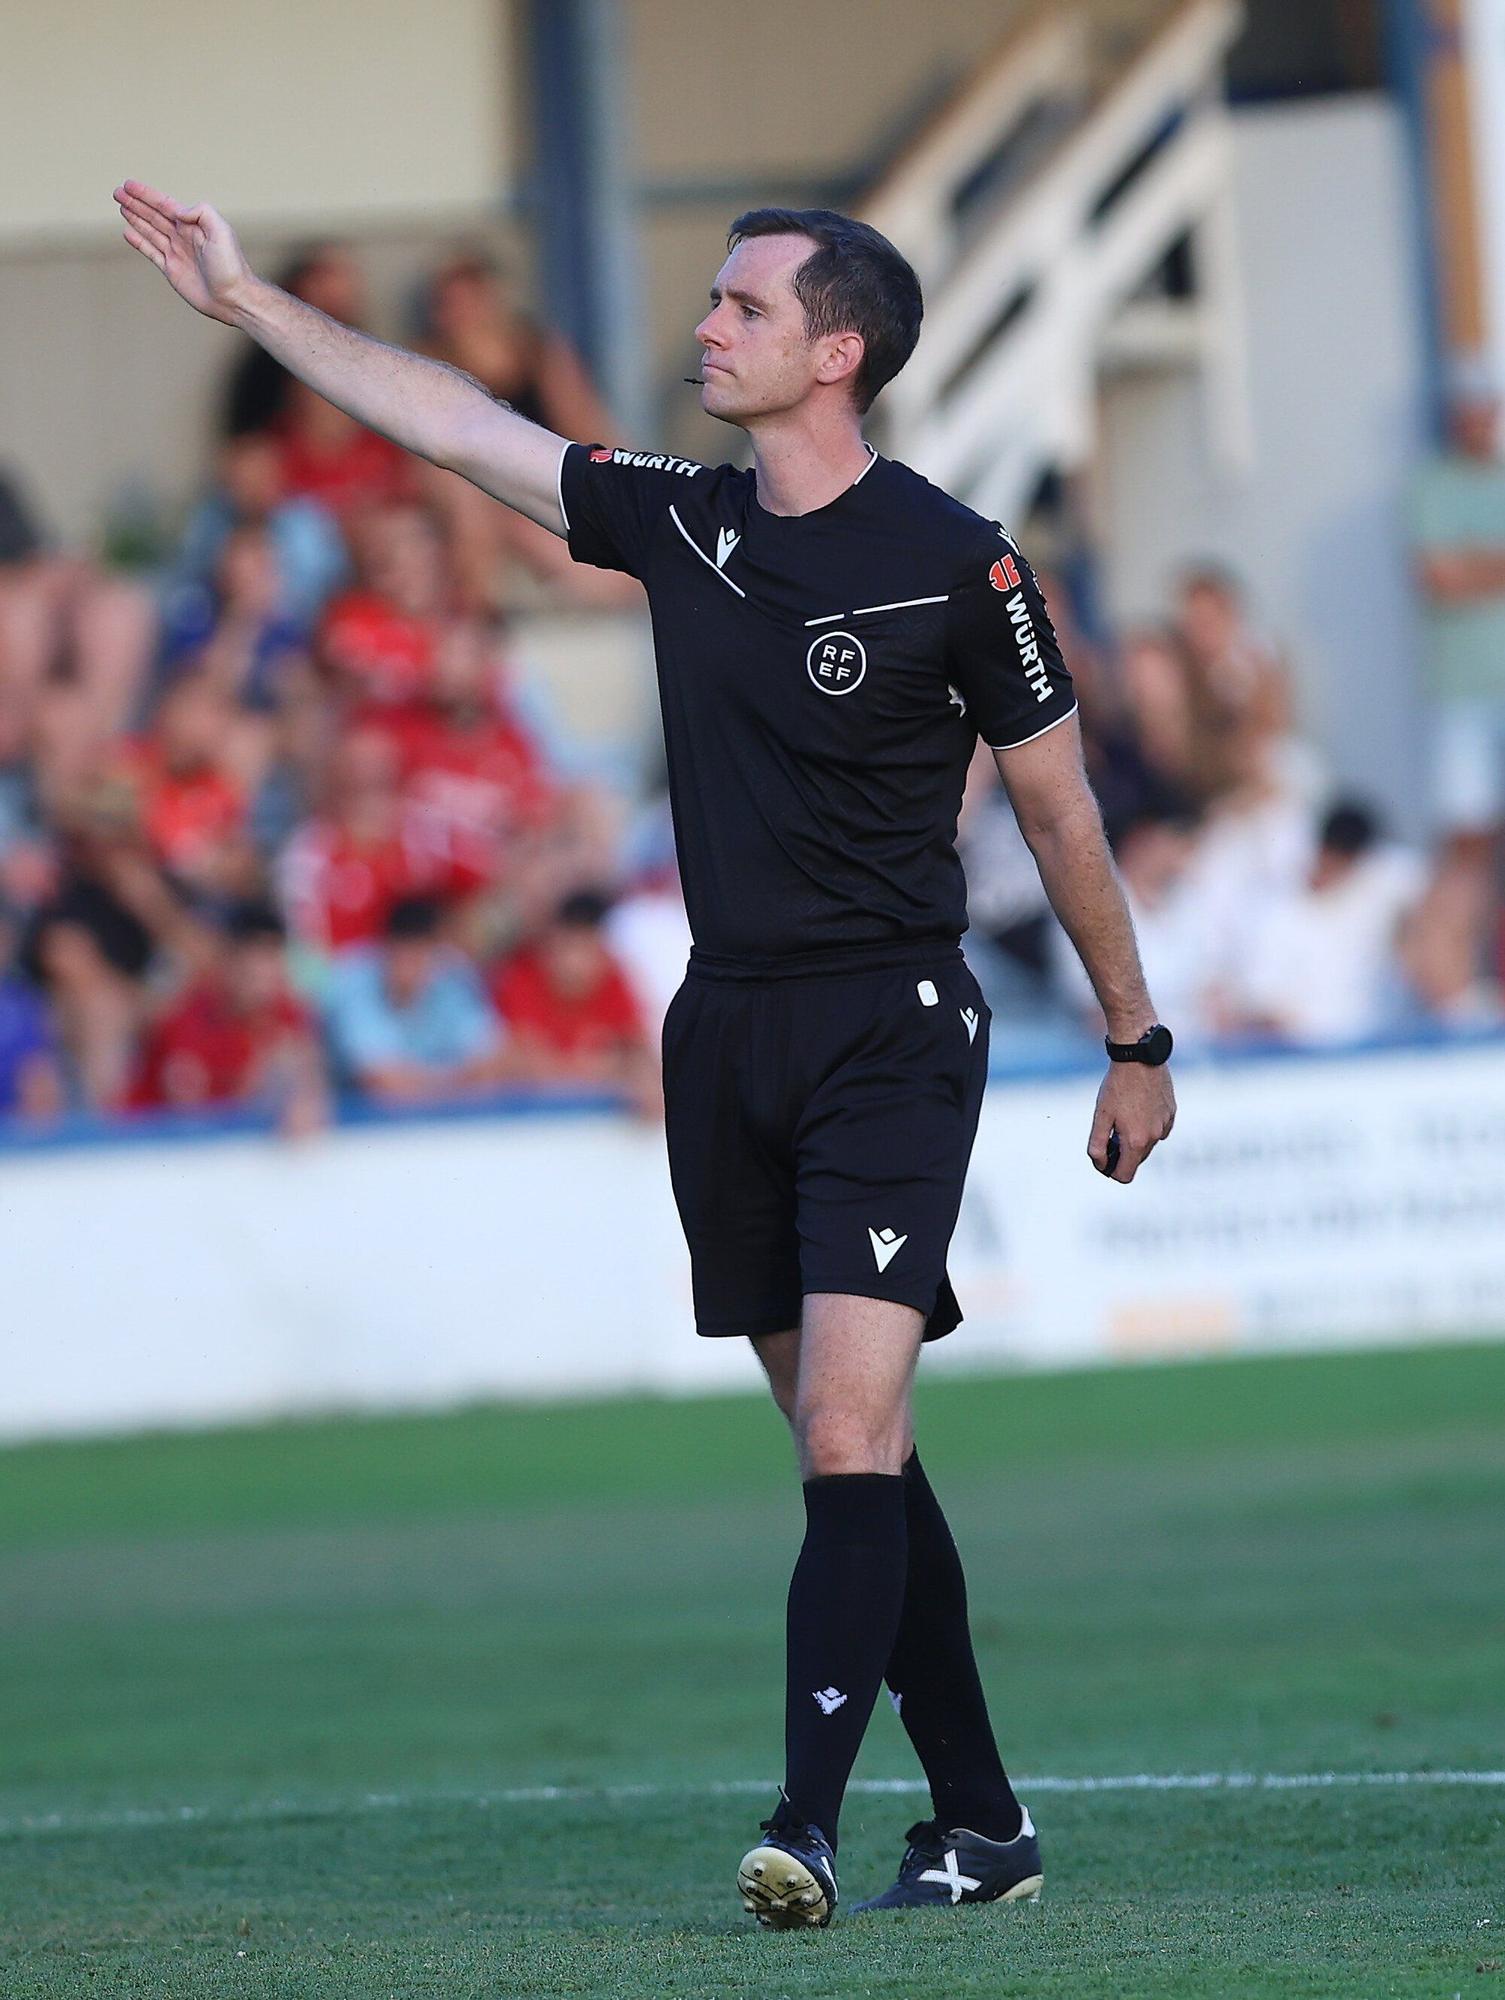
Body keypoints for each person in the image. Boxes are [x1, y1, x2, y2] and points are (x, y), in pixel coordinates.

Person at [116, 181, 1176, 1927]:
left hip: (891, 1027)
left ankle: (808, 1826)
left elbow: (1059, 815)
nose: (706, 327)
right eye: (713, 300)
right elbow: (459, 425)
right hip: (726, 1028)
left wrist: (1134, 1037)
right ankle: (981, 1823)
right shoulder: (681, 521)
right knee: (864, 1454)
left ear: (836, 353)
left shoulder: (959, 562)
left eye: (743, 308)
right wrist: (249, 307)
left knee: (847, 1430)